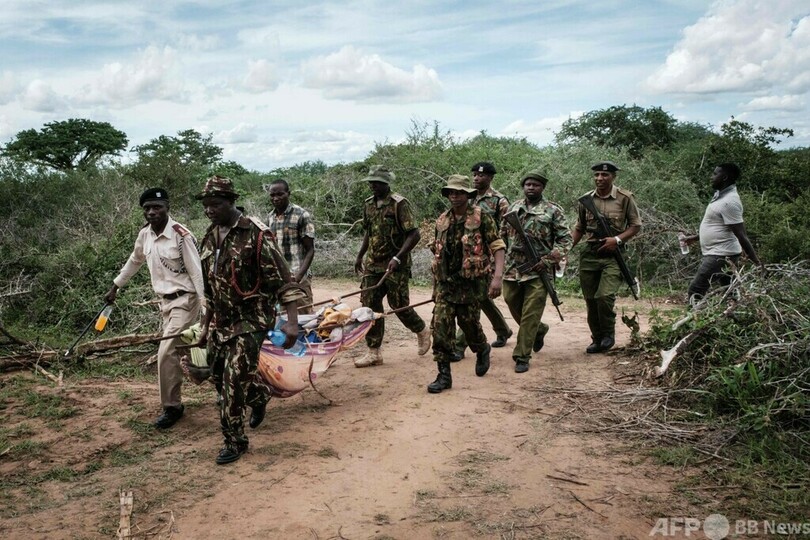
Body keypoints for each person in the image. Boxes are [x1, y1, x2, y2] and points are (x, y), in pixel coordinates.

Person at [195, 176, 304, 465]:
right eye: (206, 206)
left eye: (215, 205)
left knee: (231, 383)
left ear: (231, 202)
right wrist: (205, 327)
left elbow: (284, 282)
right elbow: (210, 289)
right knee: (218, 376)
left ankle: (235, 441)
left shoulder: (256, 235)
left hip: (251, 321)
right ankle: (258, 395)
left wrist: (291, 322)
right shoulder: (208, 237)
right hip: (222, 321)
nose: (209, 210)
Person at [105, 188, 204, 429]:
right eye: (147, 208)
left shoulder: (181, 235)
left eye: (157, 207)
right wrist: (116, 286)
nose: (151, 212)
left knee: (166, 351)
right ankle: (217, 377)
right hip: (165, 302)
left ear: (167, 207)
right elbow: (135, 260)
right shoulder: (145, 235)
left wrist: (206, 305)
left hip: (185, 299)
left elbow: (196, 272)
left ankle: (172, 407)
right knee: (186, 350)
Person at [427, 174, 505, 393]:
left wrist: (497, 278)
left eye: (459, 192)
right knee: (440, 328)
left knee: (469, 325)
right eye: (451, 192)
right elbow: (438, 255)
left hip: (470, 284)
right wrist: (435, 288)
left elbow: (497, 246)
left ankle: (482, 348)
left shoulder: (482, 217)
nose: (454, 196)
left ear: (467, 195)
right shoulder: (442, 220)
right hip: (445, 284)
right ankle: (443, 376)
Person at [353, 166, 431, 367]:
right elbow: (369, 233)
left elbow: (414, 234)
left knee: (399, 306)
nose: (373, 186)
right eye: (371, 182)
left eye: (377, 182)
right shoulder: (368, 205)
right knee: (370, 307)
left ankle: (421, 330)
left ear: (386, 184)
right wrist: (360, 256)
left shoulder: (399, 204)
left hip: (396, 264)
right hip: (373, 264)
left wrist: (397, 257)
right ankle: (373, 352)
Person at [501, 169, 572, 373]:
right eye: (528, 184)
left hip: (539, 269)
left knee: (531, 311)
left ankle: (522, 355)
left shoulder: (553, 210)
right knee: (511, 301)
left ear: (543, 188)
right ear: (523, 186)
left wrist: (549, 259)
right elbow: (501, 234)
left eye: (536, 185)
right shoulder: (513, 208)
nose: (531, 188)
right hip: (513, 268)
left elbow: (565, 239)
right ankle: (539, 330)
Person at [571, 161, 641, 354]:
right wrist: (565, 249)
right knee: (590, 299)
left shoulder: (625, 198)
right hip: (590, 254)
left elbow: (635, 226)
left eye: (604, 175)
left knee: (604, 296)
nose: (600, 178)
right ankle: (597, 338)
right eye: (597, 175)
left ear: (613, 177)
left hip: (613, 255)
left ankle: (608, 334)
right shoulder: (586, 200)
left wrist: (617, 240)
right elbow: (580, 228)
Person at [452, 162, 513, 361]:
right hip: (469, 256)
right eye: (475, 175)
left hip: (488, 256)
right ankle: (503, 329)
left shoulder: (499, 200)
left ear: (490, 178)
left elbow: (505, 231)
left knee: (473, 299)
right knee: (481, 297)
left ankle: (460, 345)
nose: (477, 178)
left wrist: (498, 262)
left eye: (482, 176)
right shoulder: (466, 196)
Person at [683, 163, 764, 301]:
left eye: (715, 174)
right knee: (730, 292)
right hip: (722, 253)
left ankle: (691, 320)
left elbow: (741, 234)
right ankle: (732, 317)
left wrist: (757, 262)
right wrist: (696, 238)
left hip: (721, 254)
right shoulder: (720, 196)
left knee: (696, 289)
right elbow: (719, 225)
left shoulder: (729, 202)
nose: (711, 177)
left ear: (725, 177)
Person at [265, 179, 316, 314]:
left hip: (298, 276)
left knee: (303, 319)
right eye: (272, 195)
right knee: (282, 320)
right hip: (279, 279)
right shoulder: (270, 217)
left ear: (288, 193)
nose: (276, 198)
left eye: (280, 194)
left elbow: (310, 249)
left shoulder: (301, 215)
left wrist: (298, 277)